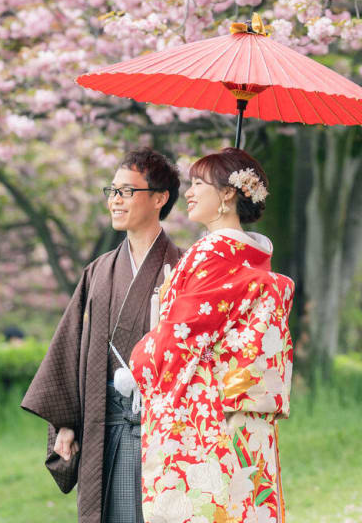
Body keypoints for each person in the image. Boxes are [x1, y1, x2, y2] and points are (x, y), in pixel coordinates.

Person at [129, 147, 294, 523]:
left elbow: (181, 332)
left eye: (199, 183)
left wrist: (139, 364)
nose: (188, 192)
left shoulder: (214, 252)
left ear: (228, 194)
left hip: (205, 407)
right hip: (244, 406)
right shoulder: (254, 254)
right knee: (244, 503)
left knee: (202, 505)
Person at [22, 148, 182, 523]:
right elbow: (69, 347)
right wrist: (65, 422)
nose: (115, 200)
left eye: (127, 191)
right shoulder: (99, 271)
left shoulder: (183, 269)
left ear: (159, 198)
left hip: (164, 428)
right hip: (101, 423)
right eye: (111, 191)